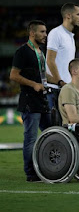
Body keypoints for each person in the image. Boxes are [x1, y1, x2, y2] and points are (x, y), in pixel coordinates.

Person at [10, 20, 55, 182]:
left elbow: (43, 75)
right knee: (31, 138)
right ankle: (31, 173)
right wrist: (33, 84)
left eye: (46, 31)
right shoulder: (22, 51)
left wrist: (61, 81)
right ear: (32, 33)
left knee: (52, 133)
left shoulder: (40, 51)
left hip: (42, 101)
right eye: (42, 32)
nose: (45, 35)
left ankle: (53, 166)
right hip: (29, 101)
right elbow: (13, 75)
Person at [46, 2, 79, 110]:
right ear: (68, 16)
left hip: (64, 89)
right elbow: (50, 60)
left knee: (66, 126)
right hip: (55, 90)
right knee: (55, 126)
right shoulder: (56, 33)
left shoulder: (70, 36)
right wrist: (60, 82)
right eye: (78, 14)